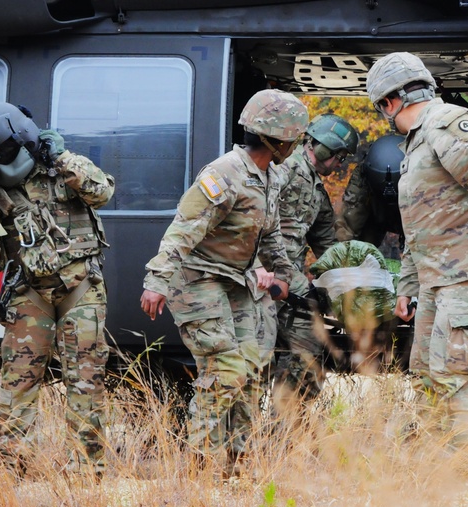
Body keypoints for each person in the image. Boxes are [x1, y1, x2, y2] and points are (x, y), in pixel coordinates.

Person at [140, 89, 310, 476]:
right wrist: (157, 281)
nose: (295, 145)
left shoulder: (271, 175)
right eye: (293, 138)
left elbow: (270, 236)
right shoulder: (224, 175)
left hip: (236, 280)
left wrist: (288, 279)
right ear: (277, 139)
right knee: (226, 370)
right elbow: (183, 230)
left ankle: (236, 469)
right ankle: (198, 471)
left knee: (252, 369)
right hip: (196, 278)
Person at [366, 52, 468, 447]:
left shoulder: (444, 121)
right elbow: (419, 230)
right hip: (440, 278)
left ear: (388, 103)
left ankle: (462, 484)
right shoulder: (417, 144)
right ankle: (436, 478)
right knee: (427, 375)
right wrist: (407, 287)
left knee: (455, 381)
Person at [0, 103, 115, 475]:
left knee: (87, 379)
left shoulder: (61, 166)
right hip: (29, 291)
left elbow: (102, 192)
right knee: (18, 383)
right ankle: (12, 471)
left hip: (80, 285)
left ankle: (87, 471)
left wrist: (60, 157)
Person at [272, 113, 359, 411]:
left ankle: (282, 432)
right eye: (339, 157)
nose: (340, 165)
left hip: (289, 290)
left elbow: (327, 245)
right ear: (322, 148)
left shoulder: (316, 190)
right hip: (262, 284)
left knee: (307, 354)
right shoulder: (282, 171)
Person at [334, 133, 406, 256]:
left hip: (412, 210)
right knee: (357, 250)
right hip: (375, 212)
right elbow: (346, 226)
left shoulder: (424, 175)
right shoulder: (362, 179)